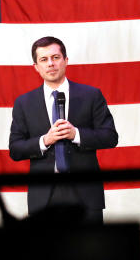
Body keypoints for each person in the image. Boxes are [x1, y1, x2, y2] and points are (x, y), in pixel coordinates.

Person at [9, 37, 118, 225]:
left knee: (90, 253)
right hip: (43, 196)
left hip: (85, 192)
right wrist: (45, 140)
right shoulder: (23, 103)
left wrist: (77, 134)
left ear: (65, 60)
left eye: (55, 57)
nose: (50, 64)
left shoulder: (91, 95)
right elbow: (15, 149)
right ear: (36, 66)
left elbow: (110, 137)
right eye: (44, 60)